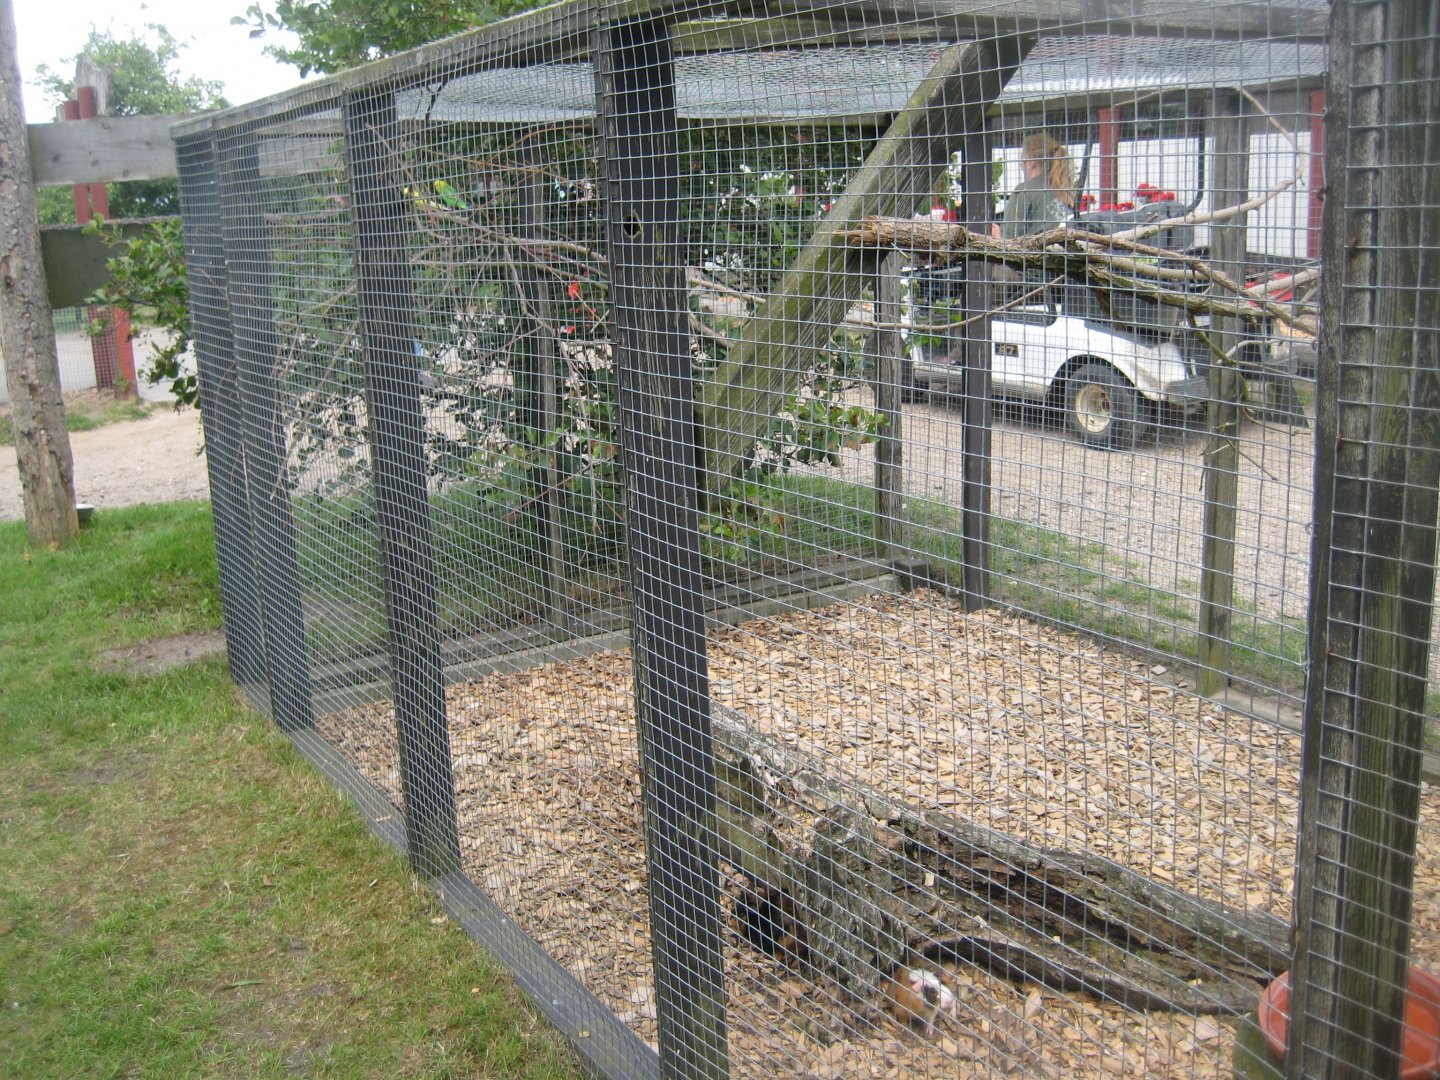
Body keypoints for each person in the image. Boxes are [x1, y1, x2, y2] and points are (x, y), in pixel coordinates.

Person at [995, 132, 1077, 240]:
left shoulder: (1023, 191)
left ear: (1031, 161)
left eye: (1022, 157)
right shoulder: (1062, 190)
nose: (1020, 164)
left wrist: (997, 236)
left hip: (1035, 254)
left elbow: (1010, 240)